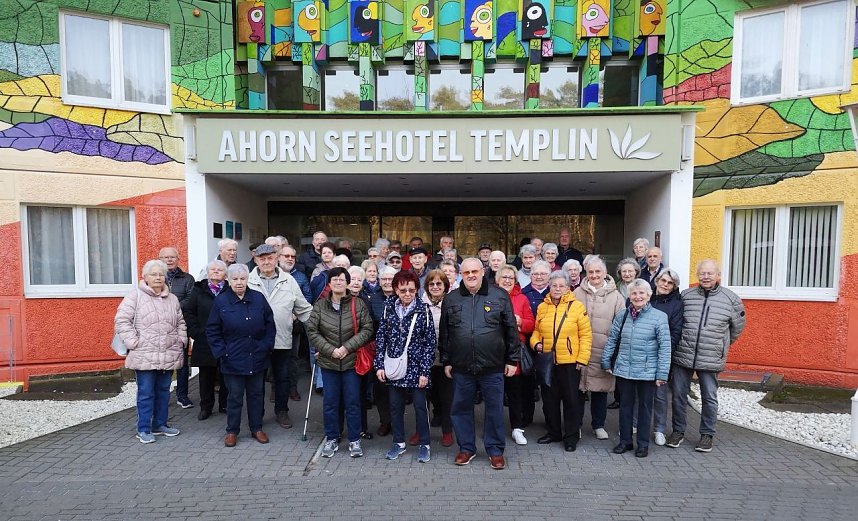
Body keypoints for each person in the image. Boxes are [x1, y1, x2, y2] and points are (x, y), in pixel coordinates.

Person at [440, 258, 518, 470]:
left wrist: (512, 359)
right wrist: (446, 360)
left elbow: (511, 329)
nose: (471, 275)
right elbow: (445, 333)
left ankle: (495, 450)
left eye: (475, 271)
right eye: (466, 273)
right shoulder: (451, 299)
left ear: (483, 272)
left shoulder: (499, 295)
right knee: (460, 409)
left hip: (493, 366)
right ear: (461, 274)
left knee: (494, 410)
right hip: (461, 366)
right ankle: (466, 448)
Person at [667, 260, 745, 453]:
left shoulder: (731, 299)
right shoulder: (686, 296)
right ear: (697, 275)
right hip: (683, 354)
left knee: (709, 397)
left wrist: (720, 345)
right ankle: (678, 431)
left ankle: (707, 434)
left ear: (718, 275)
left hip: (711, 356)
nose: (706, 277)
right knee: (678, 395)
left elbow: (737, 328)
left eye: (710, 273)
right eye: (702, 273)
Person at [114, 259, 186, 443]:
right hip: (144, 353)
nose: (158, 277)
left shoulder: (172, 299)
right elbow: (122, 320)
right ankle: (144, 428)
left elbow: (180, 322)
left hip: (168, 353)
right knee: (146, 393)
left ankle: (160, 424)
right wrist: (133, 342)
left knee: (163, 391)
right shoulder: (135, 296)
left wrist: (181, 340)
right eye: (153, 274)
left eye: (161, 274)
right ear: (145, 277)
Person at [307, 267, 375, 458]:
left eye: (341, 279)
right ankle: (332, 438)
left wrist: (346, 348)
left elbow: (367, 329)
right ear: (329, 283)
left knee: (353, 402)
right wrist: (331, 350)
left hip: (351, 362)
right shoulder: (320, 305)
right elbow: (312, 331)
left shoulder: (358, 303)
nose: (338, 282)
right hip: (328, 363)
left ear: (347, 283)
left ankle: (354, 440)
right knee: (330, 403)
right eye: (334, 279)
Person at [206, 263, 276, 447]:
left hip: (257, 356)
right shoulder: (221, 301)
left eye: (242, 279)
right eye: (235, 279)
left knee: (256, 395)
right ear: (228, 280)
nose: (239, 282)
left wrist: (266, 346)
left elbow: (270, 325)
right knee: (235, 396)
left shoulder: (258, 298)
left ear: (248, 279)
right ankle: (232, 431)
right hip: (232, 359)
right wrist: (222, 352)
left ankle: (256, 428)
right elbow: (212, 330)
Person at [601, 279, 671, 458]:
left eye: (641, 293)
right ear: (629, 296)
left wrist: (662, 373)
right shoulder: (622, 315)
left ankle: (643, 444)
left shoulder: (659, 317)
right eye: (634, 293)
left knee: (645, 409)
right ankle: (625, 441)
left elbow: (665, 347)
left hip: (647, 371)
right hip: (624, 369)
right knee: (625, 407)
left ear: (648, 295)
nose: (638, 296)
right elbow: (613, 339)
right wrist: (606, 360)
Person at [248, 244, 313, 429]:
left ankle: (282, 411)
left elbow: (304, 309)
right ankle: (256, 415)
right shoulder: (248, 280)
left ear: (276, 258)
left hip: (282, 338)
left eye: (270, 258)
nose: (266, 262)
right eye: (262, 259)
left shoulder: (288, 280)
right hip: (256, 342)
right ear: (256, 260)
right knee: (256, 381)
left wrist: (321, 329)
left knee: (282, 378)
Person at [375, 271, 436, 463]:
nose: (407, 294)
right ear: (396, 290)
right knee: (395, 407)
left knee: (420, 407)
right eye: (403, 290)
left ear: (417, 289)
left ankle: (425, 444)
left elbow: (430, 343)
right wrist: (379, 365)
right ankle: (398, 443)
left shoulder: (424, 310)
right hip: (395, 366)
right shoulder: (388, 308)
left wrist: (425, 371)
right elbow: (381, 337)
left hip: (417, 368)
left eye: (411, 290)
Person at [530, 271, 592, 452]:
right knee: (549, 400)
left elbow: (586, 335)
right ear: (549, 286)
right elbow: (536, 331)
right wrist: (536, 344)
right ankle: (553, 432)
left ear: (568, 287)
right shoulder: (543, 307)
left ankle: (571, 437)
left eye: (561, 286)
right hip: (548, 361)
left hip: (570, 362)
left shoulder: (577, 307)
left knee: (571, 400)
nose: (557, 289)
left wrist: (582, 358)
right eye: (554, 285)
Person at [573, 256, 625, 441]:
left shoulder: (616, 297)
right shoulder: (577, 293)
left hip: (603, 350)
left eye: (598, 271)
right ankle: (576, 425)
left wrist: (613, 352)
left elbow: (620, 326)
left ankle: (598, 425)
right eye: (591, 272)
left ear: (605, 273)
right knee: (578, 390)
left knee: (600, 391)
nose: (594, 275)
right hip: (580, 350)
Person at [494, 264, 535, 445]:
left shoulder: (522, 299)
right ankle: (494, 428)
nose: (507, 280)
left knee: (515, 393)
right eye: (504, 277)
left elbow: (531, 324)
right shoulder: (489, 296)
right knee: (494, 393)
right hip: (493, 351)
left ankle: (517, 428)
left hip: (514, 351)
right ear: (497, 280)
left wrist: (520, 322)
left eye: (511, 278)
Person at [185, 260, 229, 421]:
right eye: (213, 269)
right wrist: (195, 332)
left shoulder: (230, 289)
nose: (216, 271)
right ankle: (206, 407)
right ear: (208, 272)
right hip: (204, 339)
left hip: (226, 340)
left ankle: (225, 404)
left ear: (225, 274)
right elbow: (189, 312)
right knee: (206, 377)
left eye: (220, 270)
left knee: (226, 375)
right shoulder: (198, 290)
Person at [649, 268, 684, 446]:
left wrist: (661, 348)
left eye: (670, 283)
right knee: (638, 393)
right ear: (657, 281)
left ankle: (659, 429)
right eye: (663, 280)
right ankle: (634, 424)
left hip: (662, 354)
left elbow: (675, 332)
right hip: (642, 353)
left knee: (660, 395)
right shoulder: (646, 298)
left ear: (673, 287)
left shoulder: (676, 305)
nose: (665, 285)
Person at [159, 247, 195, 410]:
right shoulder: (156, 277)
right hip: (160, 328)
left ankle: (182, 395)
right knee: (162, 362)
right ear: (160, 259)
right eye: (166, 257)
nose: (169, 260)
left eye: (172, 257)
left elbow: (190, 299)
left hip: (181, 326)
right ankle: (162, 395)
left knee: (182, 362)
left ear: (178, 259)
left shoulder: (187, 278)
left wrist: (172, 307)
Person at [421, 269, 453, 447]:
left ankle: (447, 431)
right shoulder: (420, 305)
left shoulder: (451, 303)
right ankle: (421, 430)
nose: (435, 286)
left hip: (445, 359)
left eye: (439, 283)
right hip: (425, 359)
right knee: (425, 397)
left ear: (445, 286)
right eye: (431, 284)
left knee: (446, 397)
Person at [280, 244, 312, 401]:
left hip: (294, 324)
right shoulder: (273, 275)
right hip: (275, 324)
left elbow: (307, 297)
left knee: (292, 358)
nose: (290, 259)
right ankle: (277, 389)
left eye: (292, 256)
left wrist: (295, 314)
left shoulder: (301, 277)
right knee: (276, 358)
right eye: (286, 256)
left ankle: (292, 388)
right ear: (279, 257)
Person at [372, 266, 397, 436]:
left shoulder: (402, 296)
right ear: (379, 281)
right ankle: (385, 421)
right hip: (379, 349)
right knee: (380, 389)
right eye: (384, 279)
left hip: (399, 350)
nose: (387, 282)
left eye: (390, 279)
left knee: (396, 389)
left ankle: (397, 421)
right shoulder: (373, 298)